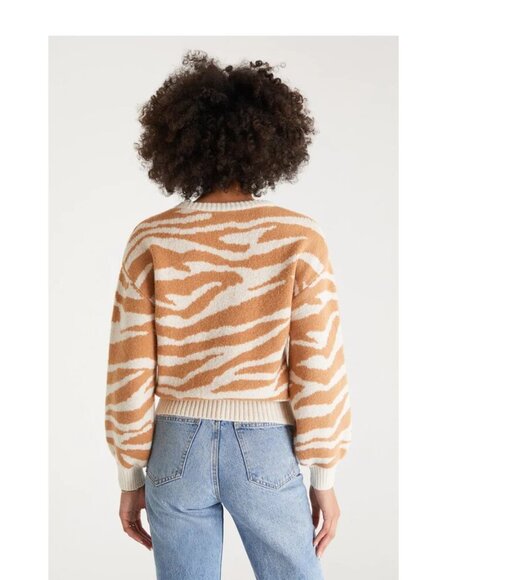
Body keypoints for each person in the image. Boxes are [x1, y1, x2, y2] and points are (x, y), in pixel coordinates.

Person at [105, 50, 352, 580]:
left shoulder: (151, 238)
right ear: (272, 142)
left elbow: (129, 367)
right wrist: (324, 475)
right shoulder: (298, 236)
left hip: (174, 446)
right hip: (265, 445)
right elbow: (319, 364)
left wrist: (129, 476)